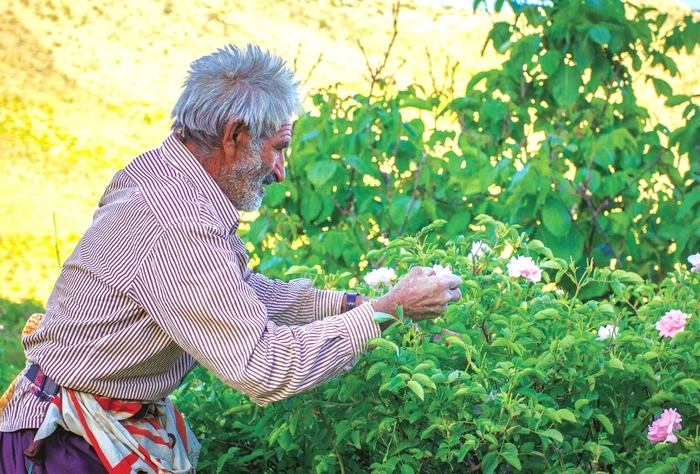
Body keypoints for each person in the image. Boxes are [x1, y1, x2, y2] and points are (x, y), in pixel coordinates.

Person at [0, 44, 463, 473]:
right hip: (67, 446)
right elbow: (265, 368)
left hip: (71, 419)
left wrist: (354, 304)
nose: (281, 171)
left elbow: (229, 289)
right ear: (235, 135)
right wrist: (389, 311)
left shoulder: (160, 171)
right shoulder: (183, 225)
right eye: (278, 148)